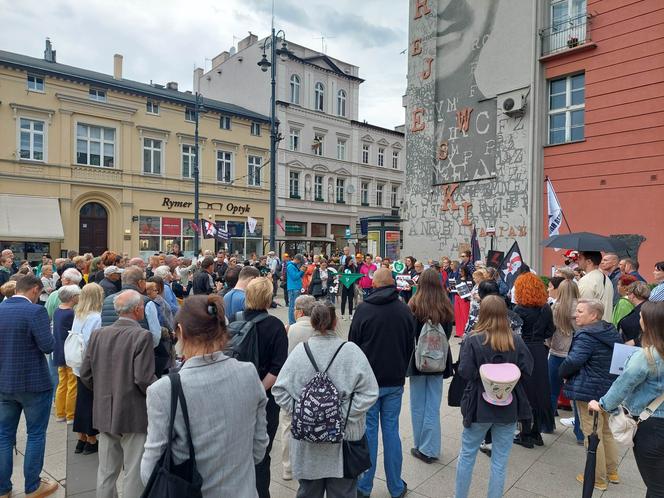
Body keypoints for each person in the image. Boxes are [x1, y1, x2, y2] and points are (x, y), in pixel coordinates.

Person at [141, 294, 269, 497]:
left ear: (181, 331)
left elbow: (150, 469)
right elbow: (259, 447)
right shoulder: (248, 373)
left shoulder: (163, 390)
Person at [273, 303, 379, 498]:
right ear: (335, 322)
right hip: (345, 441)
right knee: (344, 492)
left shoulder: (299, 352)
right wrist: (341, 413)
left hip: (307, 442)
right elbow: (371, 392)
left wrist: (305, 411)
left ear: (312, 323)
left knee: (308, 492)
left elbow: (279, 390)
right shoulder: (351, 351)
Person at [455, 296, 534, 498]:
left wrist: (484, 376)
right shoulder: (515, 340)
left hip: (478, 404)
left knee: (467, 454)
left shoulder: (473, 339)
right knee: (500, 461)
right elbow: (528, 369)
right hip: (508, 404)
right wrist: (508, 377)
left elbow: (464, 370)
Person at [80, 290, 156, 498]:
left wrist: (103, 390)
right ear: (138, 309)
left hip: (104, 409)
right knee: (133, 470)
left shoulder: (98, 334)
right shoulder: (142, 335)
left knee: (106, 470)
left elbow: (85, 373)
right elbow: (143, 378)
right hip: (134, 411)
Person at [349, 268, 415, 498]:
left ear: (375, 285)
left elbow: (352, 346)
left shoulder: (364, 310)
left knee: (368, 433)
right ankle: (396, 487)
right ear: (393, 284)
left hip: (368, 382)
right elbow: (410, 345)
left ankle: (364, 487)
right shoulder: (404, 310)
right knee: (391, 431)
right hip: (394, 380)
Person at [589, 301, 664, 497]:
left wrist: (602, 405)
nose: (639, 319)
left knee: (656, 486)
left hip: (652, 426)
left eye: (642, 317)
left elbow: (623, 385)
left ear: (650, 324)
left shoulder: (646, 356)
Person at [0, 274, 58, 498]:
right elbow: (47, 346)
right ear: (34, 290)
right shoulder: (35, 311)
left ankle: (3, 488)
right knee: (35, 434)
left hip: (5, 382)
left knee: (4, 435)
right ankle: (33, 486)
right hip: (33, 383)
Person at [559, 298, 622, 492]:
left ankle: (597, 478)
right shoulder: (609, 331)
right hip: (608, 389)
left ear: (593, 315)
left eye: (580, 311)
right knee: (606, 432)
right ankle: (612, 471)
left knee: (592, 434)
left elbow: (574, 361)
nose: (575, 315)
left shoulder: (586, 335)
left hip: (588, 391)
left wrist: (562, 372)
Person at [242, 277, 288, 498]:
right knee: (262, 452)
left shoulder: (233, 320)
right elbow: (278, 368)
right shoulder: (275, 326)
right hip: (266, 399)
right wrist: (259, 391)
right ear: (269, 298)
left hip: (235, 395)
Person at [407, 268, 454, 464]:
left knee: (418, 404)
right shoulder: (446, 306)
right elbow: (448, 333)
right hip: (439, 360)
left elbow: (409, 333)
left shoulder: (414, 305)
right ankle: (431, 447)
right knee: (433, 404)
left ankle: (421, 445)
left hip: (418, 360)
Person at [512, 273, 555, 444]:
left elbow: (514, 332)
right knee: (539, 391)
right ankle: (537, 432)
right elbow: (550, 331)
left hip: (523, 350)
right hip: (539, 350)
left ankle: (525, 433)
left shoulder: (518, 310)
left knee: (524, 392)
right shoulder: (545, 308)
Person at [279, 295, 316, 481]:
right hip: (314, 385)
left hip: (292, 386)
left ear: (299, 311)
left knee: (287, 425)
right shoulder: (319, 329)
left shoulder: (289, 329)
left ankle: (288, 468)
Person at [547, 279, 584, 443]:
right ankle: (580, 433)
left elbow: (549, 332)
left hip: (556, 352)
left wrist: (550, 345)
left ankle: (547, 425)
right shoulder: (581, 309)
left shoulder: (555, 307)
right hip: (575, 355)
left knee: (552, 391)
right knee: (576, 396)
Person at [71, 283, 104, 456]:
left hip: (78, 363)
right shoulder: (96, 317)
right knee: (89, 401)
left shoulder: (79, 313)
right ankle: (91, 439)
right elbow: (94, 342)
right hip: (90, 364)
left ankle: (81, 438)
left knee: (81, 400)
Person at [101, 266, 162, 349]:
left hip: (111, 350)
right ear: (140, 282)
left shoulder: (107, 300)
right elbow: (155, 335)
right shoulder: (146, 302)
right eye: (145, 280)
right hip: (138, 350)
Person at [52, 285, 81, 424]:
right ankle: (71, 414)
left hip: (58, 350)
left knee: (62, 383)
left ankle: (60, 413)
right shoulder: (71, 313)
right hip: (69, 351)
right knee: (72, 383)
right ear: (72, 297)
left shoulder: (57, 311)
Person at [577, 251, 614, 322]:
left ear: (589, 261)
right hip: (605, 325)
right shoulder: (606, 278)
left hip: (592, 327)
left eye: (580, 258)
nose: (577, 261)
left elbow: (584, 308)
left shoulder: (587, 280)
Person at [618, 281, 651, 346]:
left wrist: (635, 341)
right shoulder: (652, 307)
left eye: (628, 294)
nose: (627, 296)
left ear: (632, 295)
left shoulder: (631, 320)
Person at [454, 265, 473, 338]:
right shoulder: (458, 278)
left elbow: (470, 289)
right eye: (459, 271)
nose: (460, 272)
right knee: (458, 315)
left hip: (465, 298)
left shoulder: (469, 279)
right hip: (457, 297)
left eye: (462, 271)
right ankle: (459, 332)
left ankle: (465, 331)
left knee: (465, 314)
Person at [286, 254, 305, 325]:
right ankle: (292, 322)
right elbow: (294, 277)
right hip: (293, 288)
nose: (300, 263)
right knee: (292, 306)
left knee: (295, 306)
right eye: (300, 261)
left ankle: (294, 321)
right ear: (298, 260)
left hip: (296, 288)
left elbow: (300, 276)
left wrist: (303, 271)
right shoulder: (290, 266)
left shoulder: (294, 266)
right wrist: (301, 271)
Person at [339, 253, 357, 320]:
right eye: (351, 261)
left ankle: (350, 314)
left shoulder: (353, 267)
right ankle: (342, 314)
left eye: (352, 261)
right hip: (344, 285)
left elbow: (355, 275)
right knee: (343, 300)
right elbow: (338, 274)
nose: (352, 262)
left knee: (350, 300)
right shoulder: (342, 267)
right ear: (347, 261)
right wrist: (339, 276)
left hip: (351, 285)